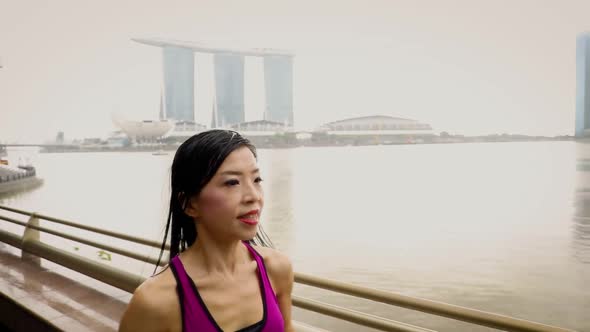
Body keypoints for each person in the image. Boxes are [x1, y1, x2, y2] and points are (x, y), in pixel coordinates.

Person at [119, 130, 294, 332]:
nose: (253, 196)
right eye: (232, 182)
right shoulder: (157, 300)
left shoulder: (277, 268)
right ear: (189, 204)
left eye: (257, 180)